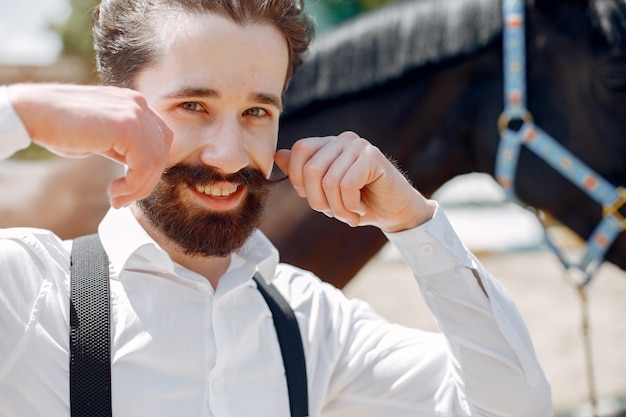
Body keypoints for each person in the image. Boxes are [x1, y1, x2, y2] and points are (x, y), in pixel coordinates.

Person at [0, 0, 552, 416]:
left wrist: (412, 223)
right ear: (117, 105)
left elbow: (514, 405)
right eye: (193, 106)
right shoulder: (27, 291)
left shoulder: (309, 320)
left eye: (257, 113)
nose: (229, 154)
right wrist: (22, 114)